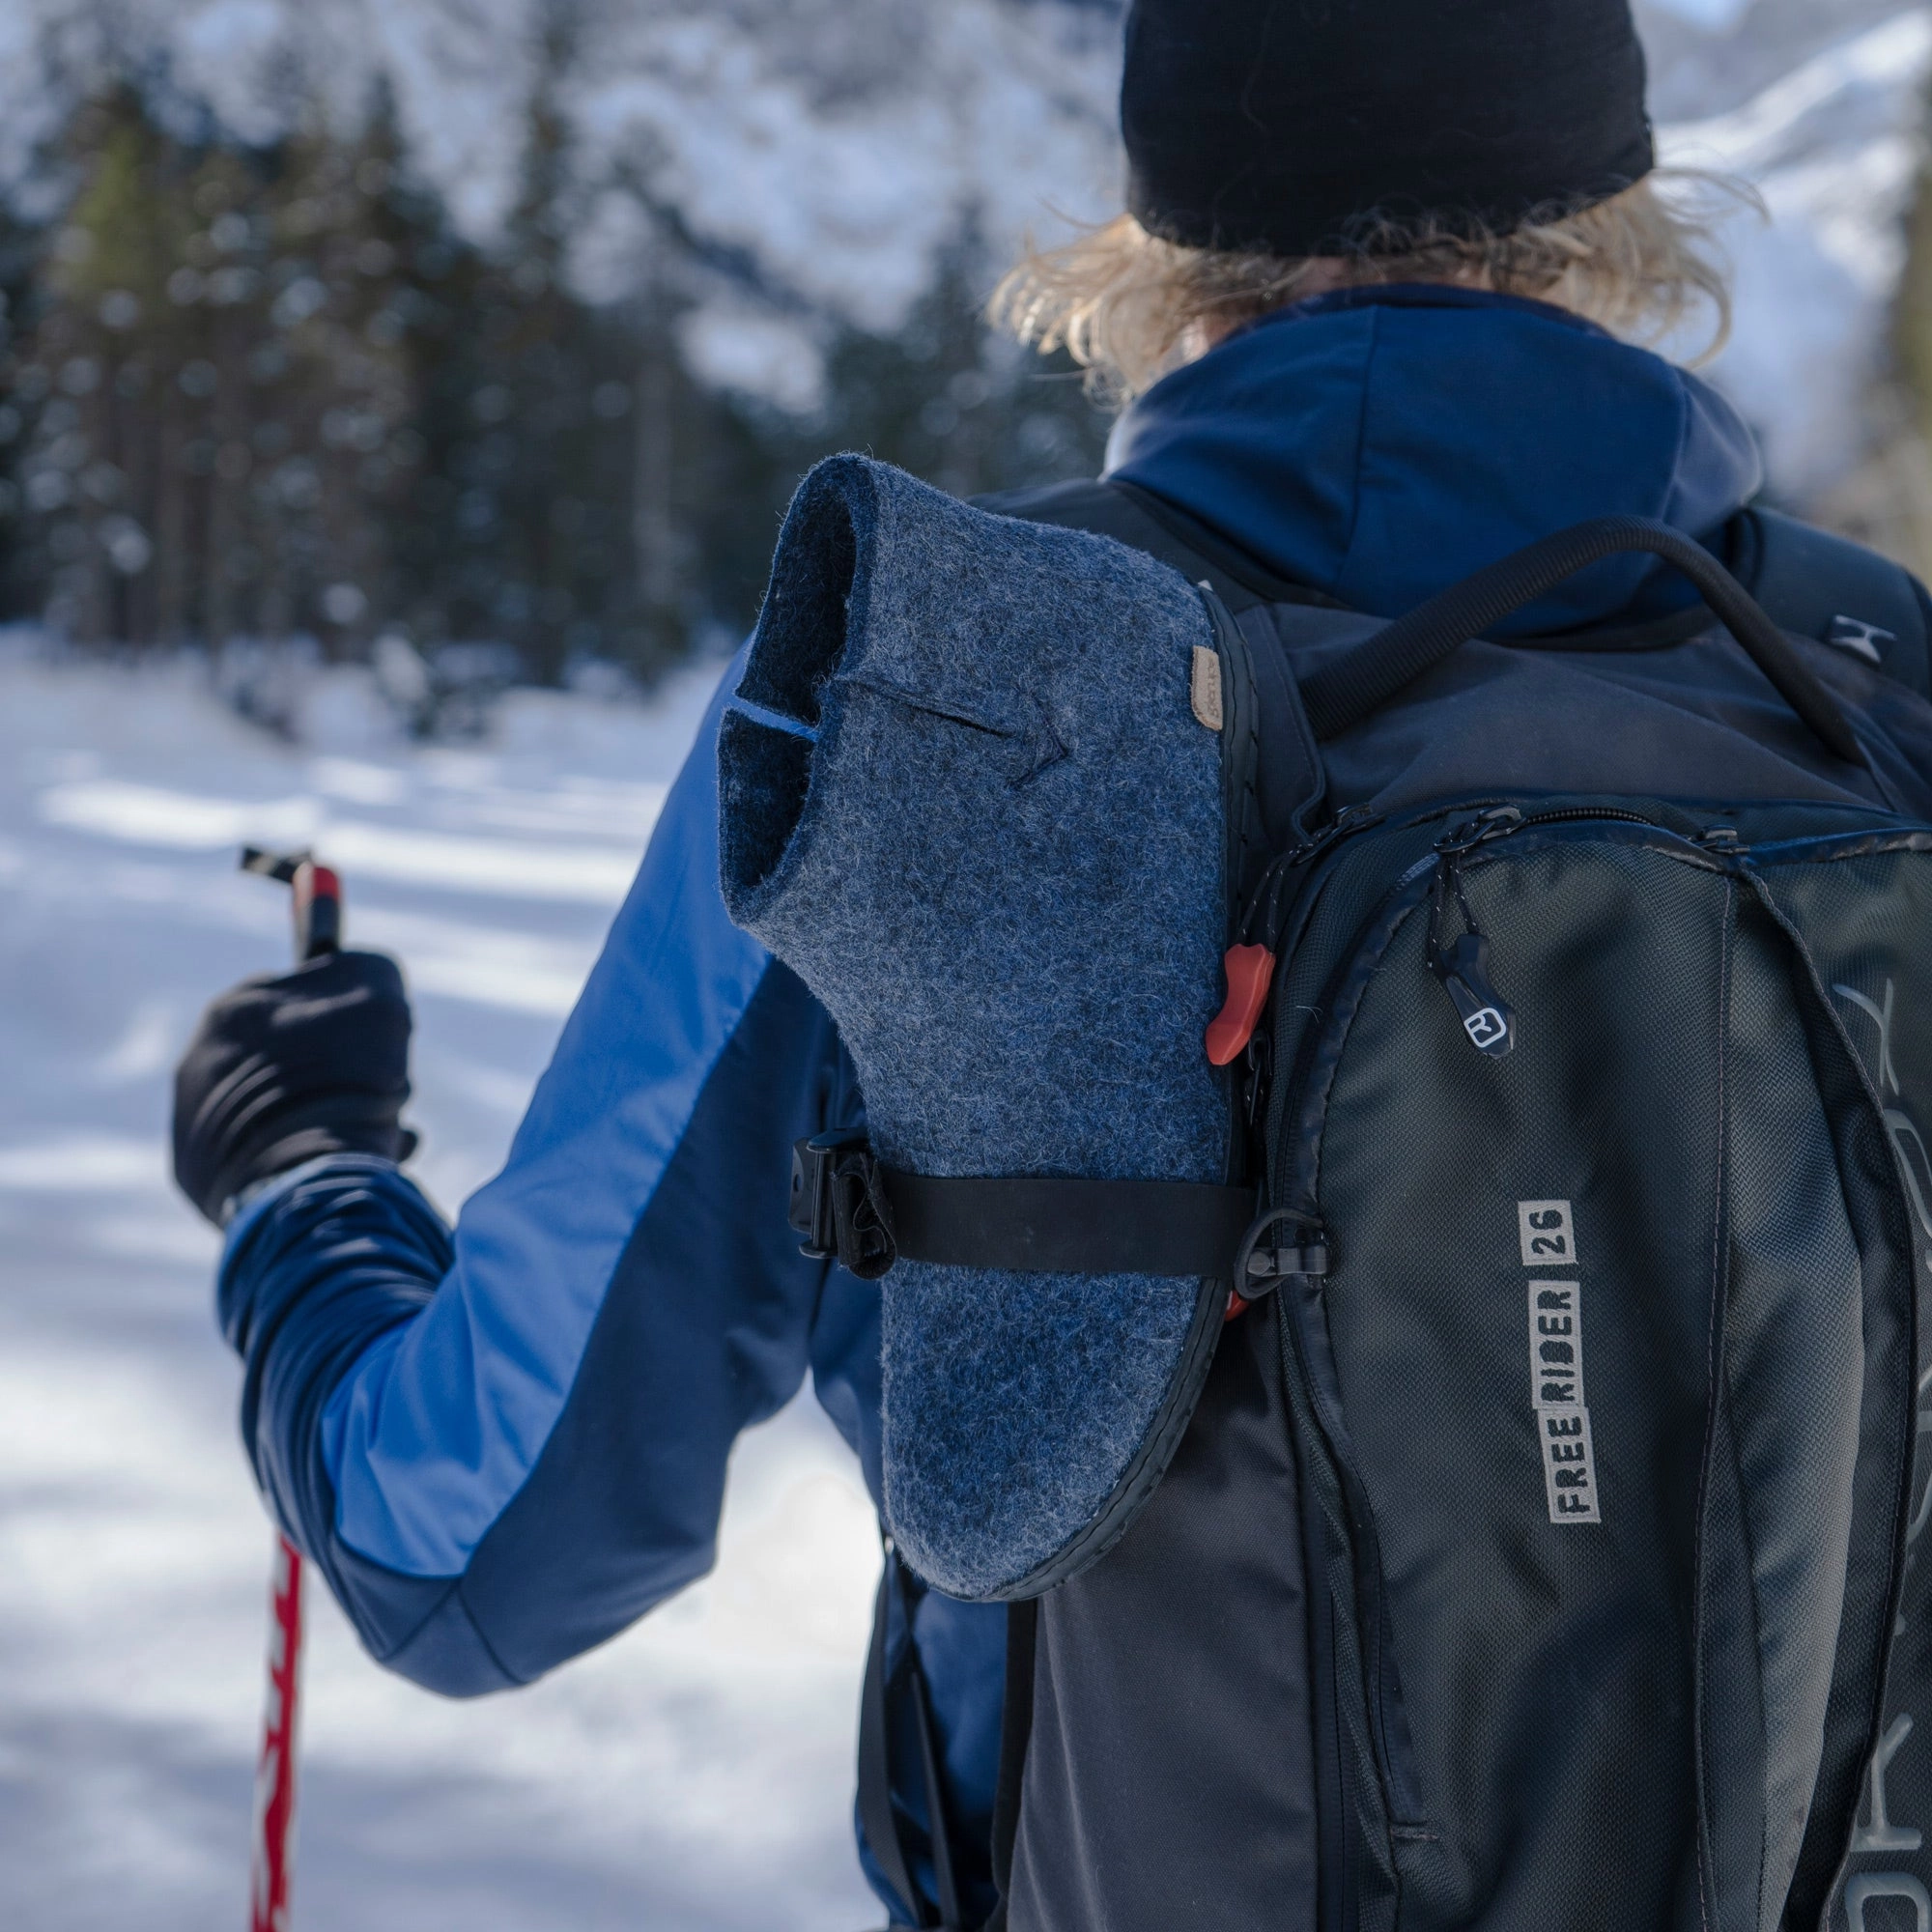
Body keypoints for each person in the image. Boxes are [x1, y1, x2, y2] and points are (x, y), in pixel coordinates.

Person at [172, 3, 1932, 1927]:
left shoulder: (939, 688)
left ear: (1153, 235)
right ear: (1617, 216)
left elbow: (466, 1541)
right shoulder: (1880, 682)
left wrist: (299, 1184)